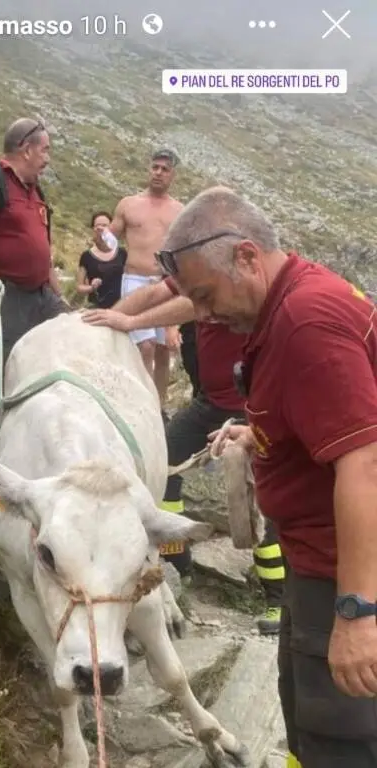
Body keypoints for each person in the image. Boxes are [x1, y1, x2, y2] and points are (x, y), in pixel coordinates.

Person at [160, 184, 377, 767]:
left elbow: (364, 462)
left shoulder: (305, 324)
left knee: (341, 736)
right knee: (306, 719)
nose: (202, 314)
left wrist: (357, 613)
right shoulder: (290, 302)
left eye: (204, 294)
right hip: (317, 567)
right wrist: (260, 434)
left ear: (248, 257)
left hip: (341, 573)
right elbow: (325, 420)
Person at [82, 263, 284, 635]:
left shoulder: (223, 280)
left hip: (250, 402)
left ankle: (278, 600)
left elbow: (192, 306)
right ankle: (178, 559)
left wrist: (131, 322)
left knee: (257, 497)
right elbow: (158, 292)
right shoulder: (193, 272)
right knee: (167, 461)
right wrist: (114, 314)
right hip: (210, 401)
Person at [0, 118, 68, 366]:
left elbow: (44, 252)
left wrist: (59, 297)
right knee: (9, 369)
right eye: (45, 150)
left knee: (64, 353)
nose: (48, 160)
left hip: (42, 296)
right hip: (8, 296)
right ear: (27, 150)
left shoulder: (35, 190)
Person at [102, 148, 185, 406]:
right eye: (155, 167)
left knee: (163, 350)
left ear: (172, 175)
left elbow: (182, 252)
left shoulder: (179, 211)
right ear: (149, 169)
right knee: (145, 345)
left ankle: (159, 406)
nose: (158, 173)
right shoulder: (129, 204)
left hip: (165, 283)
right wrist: (101, 238)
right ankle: (143, 404)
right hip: (135, 280)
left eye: (165, 169)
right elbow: (109, 241)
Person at [75, 211, 128, 308]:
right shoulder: (87, 256)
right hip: (96, 307)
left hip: (120, 307)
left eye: (105, 225)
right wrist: (91, 288)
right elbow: (79, 287)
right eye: (97, 226)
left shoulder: (122, 253)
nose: (101, 229)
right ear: (93, 229)